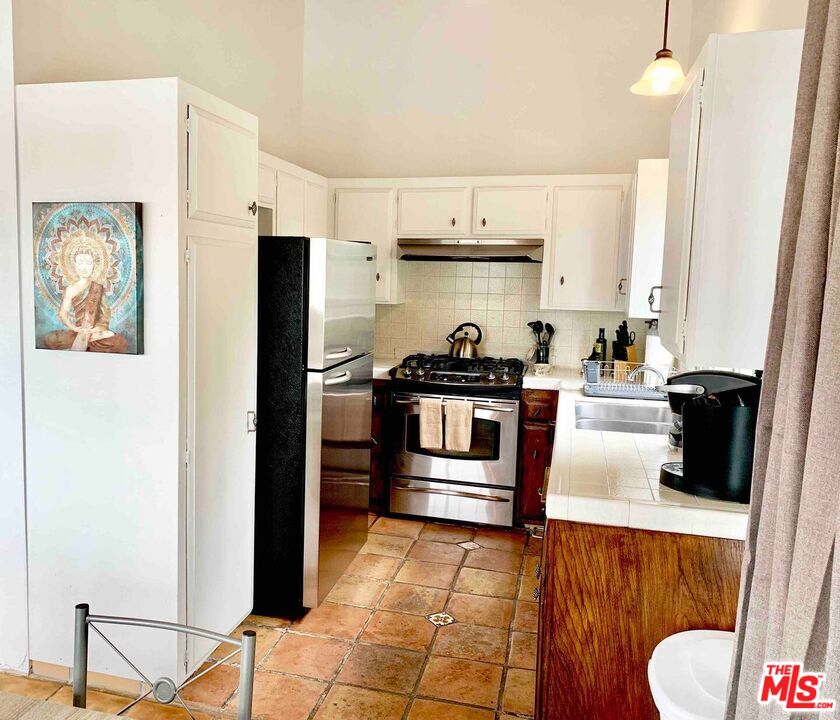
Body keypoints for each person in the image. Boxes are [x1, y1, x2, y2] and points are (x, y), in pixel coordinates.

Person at [41, 244, 128, 353]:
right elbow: (63, 313)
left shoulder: (98, 288)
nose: (84, 267)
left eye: (88, 263)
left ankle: (91, 338)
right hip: (78, 330)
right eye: (81, 263)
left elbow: (105, 314)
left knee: (120, 342)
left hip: (95, 330)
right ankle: (89, 339)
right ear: (75, 265)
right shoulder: (70, 289)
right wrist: (75, 328)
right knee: (50, 339)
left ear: (93, 266)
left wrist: (96, 329)